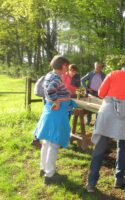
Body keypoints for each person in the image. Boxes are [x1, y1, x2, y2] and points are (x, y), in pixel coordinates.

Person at [86, 58, 125, 193]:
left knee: (100, 148)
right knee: (122, 147)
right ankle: (119, 179)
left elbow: (101, 93)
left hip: (108, 112)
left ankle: (91, 183)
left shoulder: (113, 74)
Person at [33, 55, 77, 185]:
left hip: (50, 111)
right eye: (66, 66)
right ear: (63, 65)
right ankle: (50, 175)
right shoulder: (56, 78)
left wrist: (55, 100)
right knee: (53, 143)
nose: (67, 69)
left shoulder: (49, 75)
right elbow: (51, 89)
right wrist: (56, 101)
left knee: (47, 142)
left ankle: (44, 169)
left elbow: (49, 89)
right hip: (56, 113)